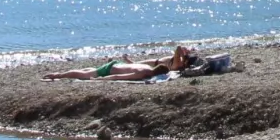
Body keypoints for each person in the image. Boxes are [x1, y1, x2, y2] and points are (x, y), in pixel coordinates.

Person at [45, 45, 193, 81]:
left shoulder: (147, 67)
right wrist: (99, 80)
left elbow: (123, 74)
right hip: (112, 70)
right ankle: (57, 74)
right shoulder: (145, 72)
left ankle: (59, 74)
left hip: (115, 65)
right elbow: (120, 78)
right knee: (83, 74)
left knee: (88, 70)